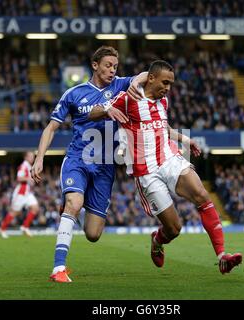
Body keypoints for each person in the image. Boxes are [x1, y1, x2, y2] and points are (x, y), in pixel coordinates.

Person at [89, 60, 242, 274]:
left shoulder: (164, 102)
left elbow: (163, 127)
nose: (168, 88)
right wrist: (107, 110)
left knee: (202, 195)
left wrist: (185, 140)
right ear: (151, 78)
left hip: (169, 158)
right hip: (146, 171)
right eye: (165, 82)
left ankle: (222, 255)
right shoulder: (128, 98)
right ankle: (158, 239)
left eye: (170, 84)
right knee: (174, 229)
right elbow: (92, 113)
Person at [31, 46, 148, 283]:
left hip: (105, 167)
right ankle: (58, 268)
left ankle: (75, 209)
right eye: (107, 65)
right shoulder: (74, 93)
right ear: (95, 65)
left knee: (93, 234)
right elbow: (51, 127)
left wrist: (150, 74)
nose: (112, 71)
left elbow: (146, 75)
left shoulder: (120, 85)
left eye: (115, 66)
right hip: (77, 160)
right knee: (74, 203)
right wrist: (40, 157)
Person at [0, 151, 39, 238]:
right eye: (31, 156)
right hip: (21, 193)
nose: (33, 158)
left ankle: (25, 227)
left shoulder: (28, 166)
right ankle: (2, 229)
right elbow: (19, 178)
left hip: (27, 193)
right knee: (15, 212)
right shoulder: (23, 166)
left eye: (33, 156)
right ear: (26, 157)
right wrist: (29, 178)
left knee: (35, 207)